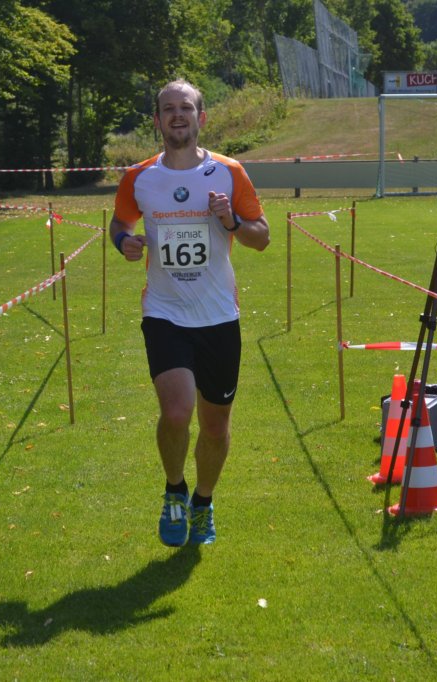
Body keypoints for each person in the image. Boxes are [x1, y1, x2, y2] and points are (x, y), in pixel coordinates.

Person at [110, 79, 270, 547]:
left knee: (215, 427)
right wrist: (126, 242)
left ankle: (203, 501)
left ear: (202, 117)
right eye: (168, 109)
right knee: (177, 412)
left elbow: (261, 237)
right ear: (157, 120)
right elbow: (120, 223)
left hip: (218, 316)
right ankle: (174, 491)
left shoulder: (229, 172)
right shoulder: (139, 177)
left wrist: (231, 221)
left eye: (186, 107)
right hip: (165, 313)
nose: (177, 115)